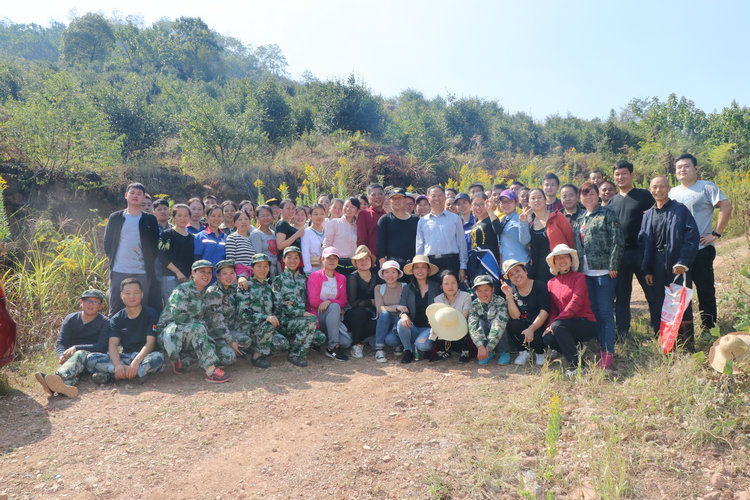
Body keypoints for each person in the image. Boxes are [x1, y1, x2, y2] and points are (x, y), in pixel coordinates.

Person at [669, 153, 732, 332]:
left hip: (701, 249)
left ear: (696, 169)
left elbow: (726, 206)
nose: (682, 169)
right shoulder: (672, 192)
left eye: (686, 166)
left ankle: (709, 329)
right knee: (681, 292)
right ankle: (685, 333)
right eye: (679, 167)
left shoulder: (706, 187)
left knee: (705, 291)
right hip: (679, 253)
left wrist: (716, 233)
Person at [639, 175, 700, 350]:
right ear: (650, 190)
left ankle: (687, 346)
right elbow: (643, 244)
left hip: (677, 265)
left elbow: (692, 238)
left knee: (682, 304)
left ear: (669, 188)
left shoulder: (680, 210)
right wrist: (647, 270)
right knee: (660, 303)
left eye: (662, 186)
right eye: (654, 187)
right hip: (656, 264)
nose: (658, 190)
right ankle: (668, 345)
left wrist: (683, 262)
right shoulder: (648, 214)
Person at [574, 182, 623, 369]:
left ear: (598, 195)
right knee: (595, 312)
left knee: (605, 312)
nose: (588, 197)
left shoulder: (607, 213)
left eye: (592, 194)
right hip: (586, 273)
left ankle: (609, 351)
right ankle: (603, 347)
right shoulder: (581, 218)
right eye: (584, 194)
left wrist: (613, 264)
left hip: (604, 272)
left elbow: (617, 240)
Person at [156, 261, 232, 383]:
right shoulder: (183, 290)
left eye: (209, 272)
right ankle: (211, 371)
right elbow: (178, 317)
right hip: (169, 335)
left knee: (210, 344)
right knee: (199, 329)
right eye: (202, 271)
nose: (206, 275)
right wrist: (201, 326)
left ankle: (180, 362)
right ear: (193, 273)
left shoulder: (203, 294)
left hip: (186, 334)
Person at [606, 160, 656, 340]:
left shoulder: (644, 196)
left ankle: (658, 329)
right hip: (620, 255)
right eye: (617, 174)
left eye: (624, 173)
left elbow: (655, 220)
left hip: (641, 252)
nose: (620, 177)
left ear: (632, 175)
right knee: (622, 296)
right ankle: (623, 333)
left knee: (652, 292)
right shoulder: (612, 201)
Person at [86, 278, 165, 384]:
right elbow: (113, 345)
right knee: (91, 359)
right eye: (127, 293)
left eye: (135, 293)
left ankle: (113, 375)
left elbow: (150, 343)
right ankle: (133, 373)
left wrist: (136, 363)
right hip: (126, 356)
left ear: (141, 295)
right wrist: (118, 365)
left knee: (158, 358)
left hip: (144, 356)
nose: (132, 296)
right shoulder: (117, 318)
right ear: (121, 296)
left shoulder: (151, 314)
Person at [35, 289, 110, 398]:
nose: (91, 304)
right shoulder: (71, 319)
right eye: (88, 301)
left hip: (93, 359)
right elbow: (61, 342)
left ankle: (56, 376)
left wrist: (76, 348)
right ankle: (61, 387)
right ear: (81, 303)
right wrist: (62, 356)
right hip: (74, 363)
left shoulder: (105, 322)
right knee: (74, 373)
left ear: (100, 306)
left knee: (80, 353)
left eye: (95, 302)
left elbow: (101, 347)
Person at [103, 182, 160, 316]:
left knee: (141, 306)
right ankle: (115, 330)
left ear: (143, 197)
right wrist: (114, 260)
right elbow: (107, 242)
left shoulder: (150, 219)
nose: (135, 196)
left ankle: (140, 330)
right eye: (132, 193)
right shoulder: (116, 217)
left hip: (142, 271)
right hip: (119, 269)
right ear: (126, 195)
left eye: (139, 194)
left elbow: (154, 245)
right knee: (116, 307)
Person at [543, 244, 597, 374]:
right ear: (554, 262)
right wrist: (550, 325)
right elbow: (553, 309)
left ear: (571, 260)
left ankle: (577, 366)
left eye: (565, 257)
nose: (562, 260)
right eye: (558, 258)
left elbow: (576, 303)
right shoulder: (551, 283)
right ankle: (575, 349)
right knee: (547, 338)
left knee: (557, 326)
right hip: (563, 324)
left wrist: (555, 322)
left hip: (584, 322)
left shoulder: (579, 277)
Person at [236, 253, 296, 368]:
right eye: (259, 266)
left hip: (265, 329)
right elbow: (243, 313)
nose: (263, 269)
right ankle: (257, 356)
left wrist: (285, 304)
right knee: (269, 324)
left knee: (283, 344)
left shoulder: (268, 287)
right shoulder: (245, 286)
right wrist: (266, 317)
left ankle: (256, 348)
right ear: (252, 268)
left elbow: (276, 306)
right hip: (249, 329)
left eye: (265, 266)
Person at [272, 246, 320, 365]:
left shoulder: (304, 280)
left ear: (299, 260)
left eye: (296, 257)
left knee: (321, 337)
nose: (293, 261)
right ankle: (296, 354)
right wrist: (301, 312)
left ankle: (294, 340)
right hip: (284, 322)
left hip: (301, 321)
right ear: (283, 259)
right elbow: (278, 305)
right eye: (289, 257)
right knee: (311, 321)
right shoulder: (278, 280)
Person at [499, 261, 548, 366]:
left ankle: (540, 352)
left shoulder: (539, 286)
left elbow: (544, 311)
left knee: (535, 323)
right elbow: (515, 316)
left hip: (540, 325)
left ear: (525, 271)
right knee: (513, 324)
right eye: (511, 275)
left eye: (518, 271)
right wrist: (509, 296)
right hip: (525, 327)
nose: (516, 276)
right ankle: (524, 351)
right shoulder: (513, 291)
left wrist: (531, 329)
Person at [415, 185, 468, 283]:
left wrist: (463, 267)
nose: (437, 199)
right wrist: (419, 267)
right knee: (433, 291)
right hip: (431, 264)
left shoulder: (455, 218)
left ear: (445, 197)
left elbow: (461, 243)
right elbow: (419, 247)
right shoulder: (422, 221)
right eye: (433, 196)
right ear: (429, 199)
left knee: (451, 291)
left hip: (451, 262)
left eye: (439, 195)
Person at [307, 247, 350, 361]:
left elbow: (344, 301)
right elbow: (313, 301)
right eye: (328, 258)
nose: (331, 261)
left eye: (334, 258)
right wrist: (331, 304)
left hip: (333, 317)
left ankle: (324, 340)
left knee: (346, 342)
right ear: (322, 259)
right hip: (318, 315)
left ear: (338, 261)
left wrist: (329, 301)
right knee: (334, 307)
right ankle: (332, 347)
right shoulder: (315, 276)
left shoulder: (342, 278)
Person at [205, 260, 251, 366]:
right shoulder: (214, 292)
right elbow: (217, 323)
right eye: (224, 273)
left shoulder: (230, 288)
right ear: (217, 275)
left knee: (247, 340)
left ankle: (229, 349)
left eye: (231, 273)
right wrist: (231, 341)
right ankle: (211, 352)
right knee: (229, 358)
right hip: (214, 334)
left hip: (227, 331)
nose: (229, 277)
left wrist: (242, 277)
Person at [396, 255, 441, 363]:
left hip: (430, 328)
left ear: (428, 270)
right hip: (413, 328)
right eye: (416, 267)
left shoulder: (436, 287)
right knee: (401, 323)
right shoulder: (407, 288)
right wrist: (403, 315)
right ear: (413, 270)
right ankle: (408, 351)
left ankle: (420, 345)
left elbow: (441, 308)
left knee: (422, 346)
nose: (420, 270)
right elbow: (402, 307)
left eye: (423, 267)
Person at [344, 245, 378, 358]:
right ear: (355, 262)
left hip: (371, 314)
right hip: (354, 314)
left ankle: (368, 339)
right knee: (360, 312)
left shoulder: (376, 277)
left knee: (382, 318)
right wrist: (371, 302)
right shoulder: (352, 277)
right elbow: (353, 303)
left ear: (371, 261)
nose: (363, 262)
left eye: (366, 259)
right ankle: (356, 344)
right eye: (360, 259)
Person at [431, 270, 472, 362]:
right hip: (445, 326)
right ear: (441, 286)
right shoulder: (438, 299)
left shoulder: (466, 296)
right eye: (446, 284)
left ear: (457, 284)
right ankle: (443, 351)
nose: (450, 286)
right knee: (436, 323)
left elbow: (465, 315)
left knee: (465, 323)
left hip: (461, 325)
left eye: (453, 283)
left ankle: (465, 351)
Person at [158, 204, 195, 305]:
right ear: (173, 217)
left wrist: (191, 275)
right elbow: (162, 257)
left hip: (188, 279)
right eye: (179, 215)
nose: (183, 218)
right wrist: (178, 273)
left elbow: (193, 258)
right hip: (170, 277)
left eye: (186, 215)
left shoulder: (192, 237)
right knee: (172, 307)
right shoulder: (166, 234)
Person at [468, 275, 509, 364]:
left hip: (499, 334)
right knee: (480, 323)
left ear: (492, 289)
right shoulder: (474, 304)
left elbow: (499, 325)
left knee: (495, 323)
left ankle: (504, 352)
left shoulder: (500, 301)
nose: (483, 294)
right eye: (479, 291)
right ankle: (490, 353)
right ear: (475, 292)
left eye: (486, 290)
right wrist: (480, 346)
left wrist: (487, 348)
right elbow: (472, 326)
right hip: (485, 344)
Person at [376, 188, 419, 269]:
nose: (396, 201)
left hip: (412, 265)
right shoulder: (385, 220)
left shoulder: (416, 220)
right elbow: (380, 244)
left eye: (399, 198)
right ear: (390, 201)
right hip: (392, 266)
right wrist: (383, 264)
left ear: (405, 199)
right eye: (393, 198)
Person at [373, 260, 407, 362]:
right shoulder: (379, 288)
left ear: (398, 274)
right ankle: (379, 349)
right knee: (384, 314)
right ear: (382, 274)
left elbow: (405, 308)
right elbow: (380, 309)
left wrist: (390, 307)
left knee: (390, 340)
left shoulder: (404, 286)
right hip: (384, 321)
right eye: (386, 272)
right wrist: (396, 307)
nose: (390, 275)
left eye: (393, 272)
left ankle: (398, 344)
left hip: (399, 320)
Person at [488, 189, 529, 267]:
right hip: (507, 266)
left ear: (516, 203)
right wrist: (489, 209)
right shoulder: (503, 220)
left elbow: (525, 241)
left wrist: (523, 223)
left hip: (520, 265)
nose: (505, 204)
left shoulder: (520, 218)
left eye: (509, 201)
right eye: (503, 202)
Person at [466, 192, 499, 283]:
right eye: (475, 205)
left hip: (488, 259)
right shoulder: (475, 223)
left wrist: (490, 211)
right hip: (475, 260)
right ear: (471, 206)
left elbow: (498, 230)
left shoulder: (491, 219)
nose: (478, 208)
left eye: (481, 204)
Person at [323, 197, 360, 275]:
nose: (348, 209)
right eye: (346, 206)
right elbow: (327, 243)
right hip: (337, 263)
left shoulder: (357, 226)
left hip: (352, 263)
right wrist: (325, 261)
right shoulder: (334, 223)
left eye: (352, 207)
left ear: (357, 210)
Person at [193, 206, 227, 280]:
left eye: (219, 216)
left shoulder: (225, 237)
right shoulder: (200, 236)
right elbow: (196, 259)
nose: (216, 219)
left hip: (222, 279)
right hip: (205, 278)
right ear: (206, 217)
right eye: (213, 216)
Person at [249, 205, 279, 278]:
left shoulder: (274, 233)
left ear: (272, 216)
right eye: (262, 216)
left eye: (268, 215)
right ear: (257, 218)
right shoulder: (256, 234)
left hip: (276, 270)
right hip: (264, 271)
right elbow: (258, 256)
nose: (266, 218)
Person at [357, 183, 387, 253]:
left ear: (384, 195)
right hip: (371, 257)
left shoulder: (387, 216)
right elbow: (362, 240)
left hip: (387, 257)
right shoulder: (364, 214)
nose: (377, 197)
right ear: (368, 198)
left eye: (380, 194)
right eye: (373, 195)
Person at [225, 210, 256, 278]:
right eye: (240, 219)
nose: (243, 222)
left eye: (246, 219)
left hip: (251, 276)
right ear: (234, 223)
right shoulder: (232, 238)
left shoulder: (251, 239)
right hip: (238, 276)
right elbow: (230, 261)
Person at [302, 204, 326, 275]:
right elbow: (305, 253)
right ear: (310, 216)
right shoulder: (307, 232)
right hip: (313, 270)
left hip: (327, 270)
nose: (319, 217)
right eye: (316, 214)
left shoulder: (327, 231)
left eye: (322, 214)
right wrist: (308, 271)